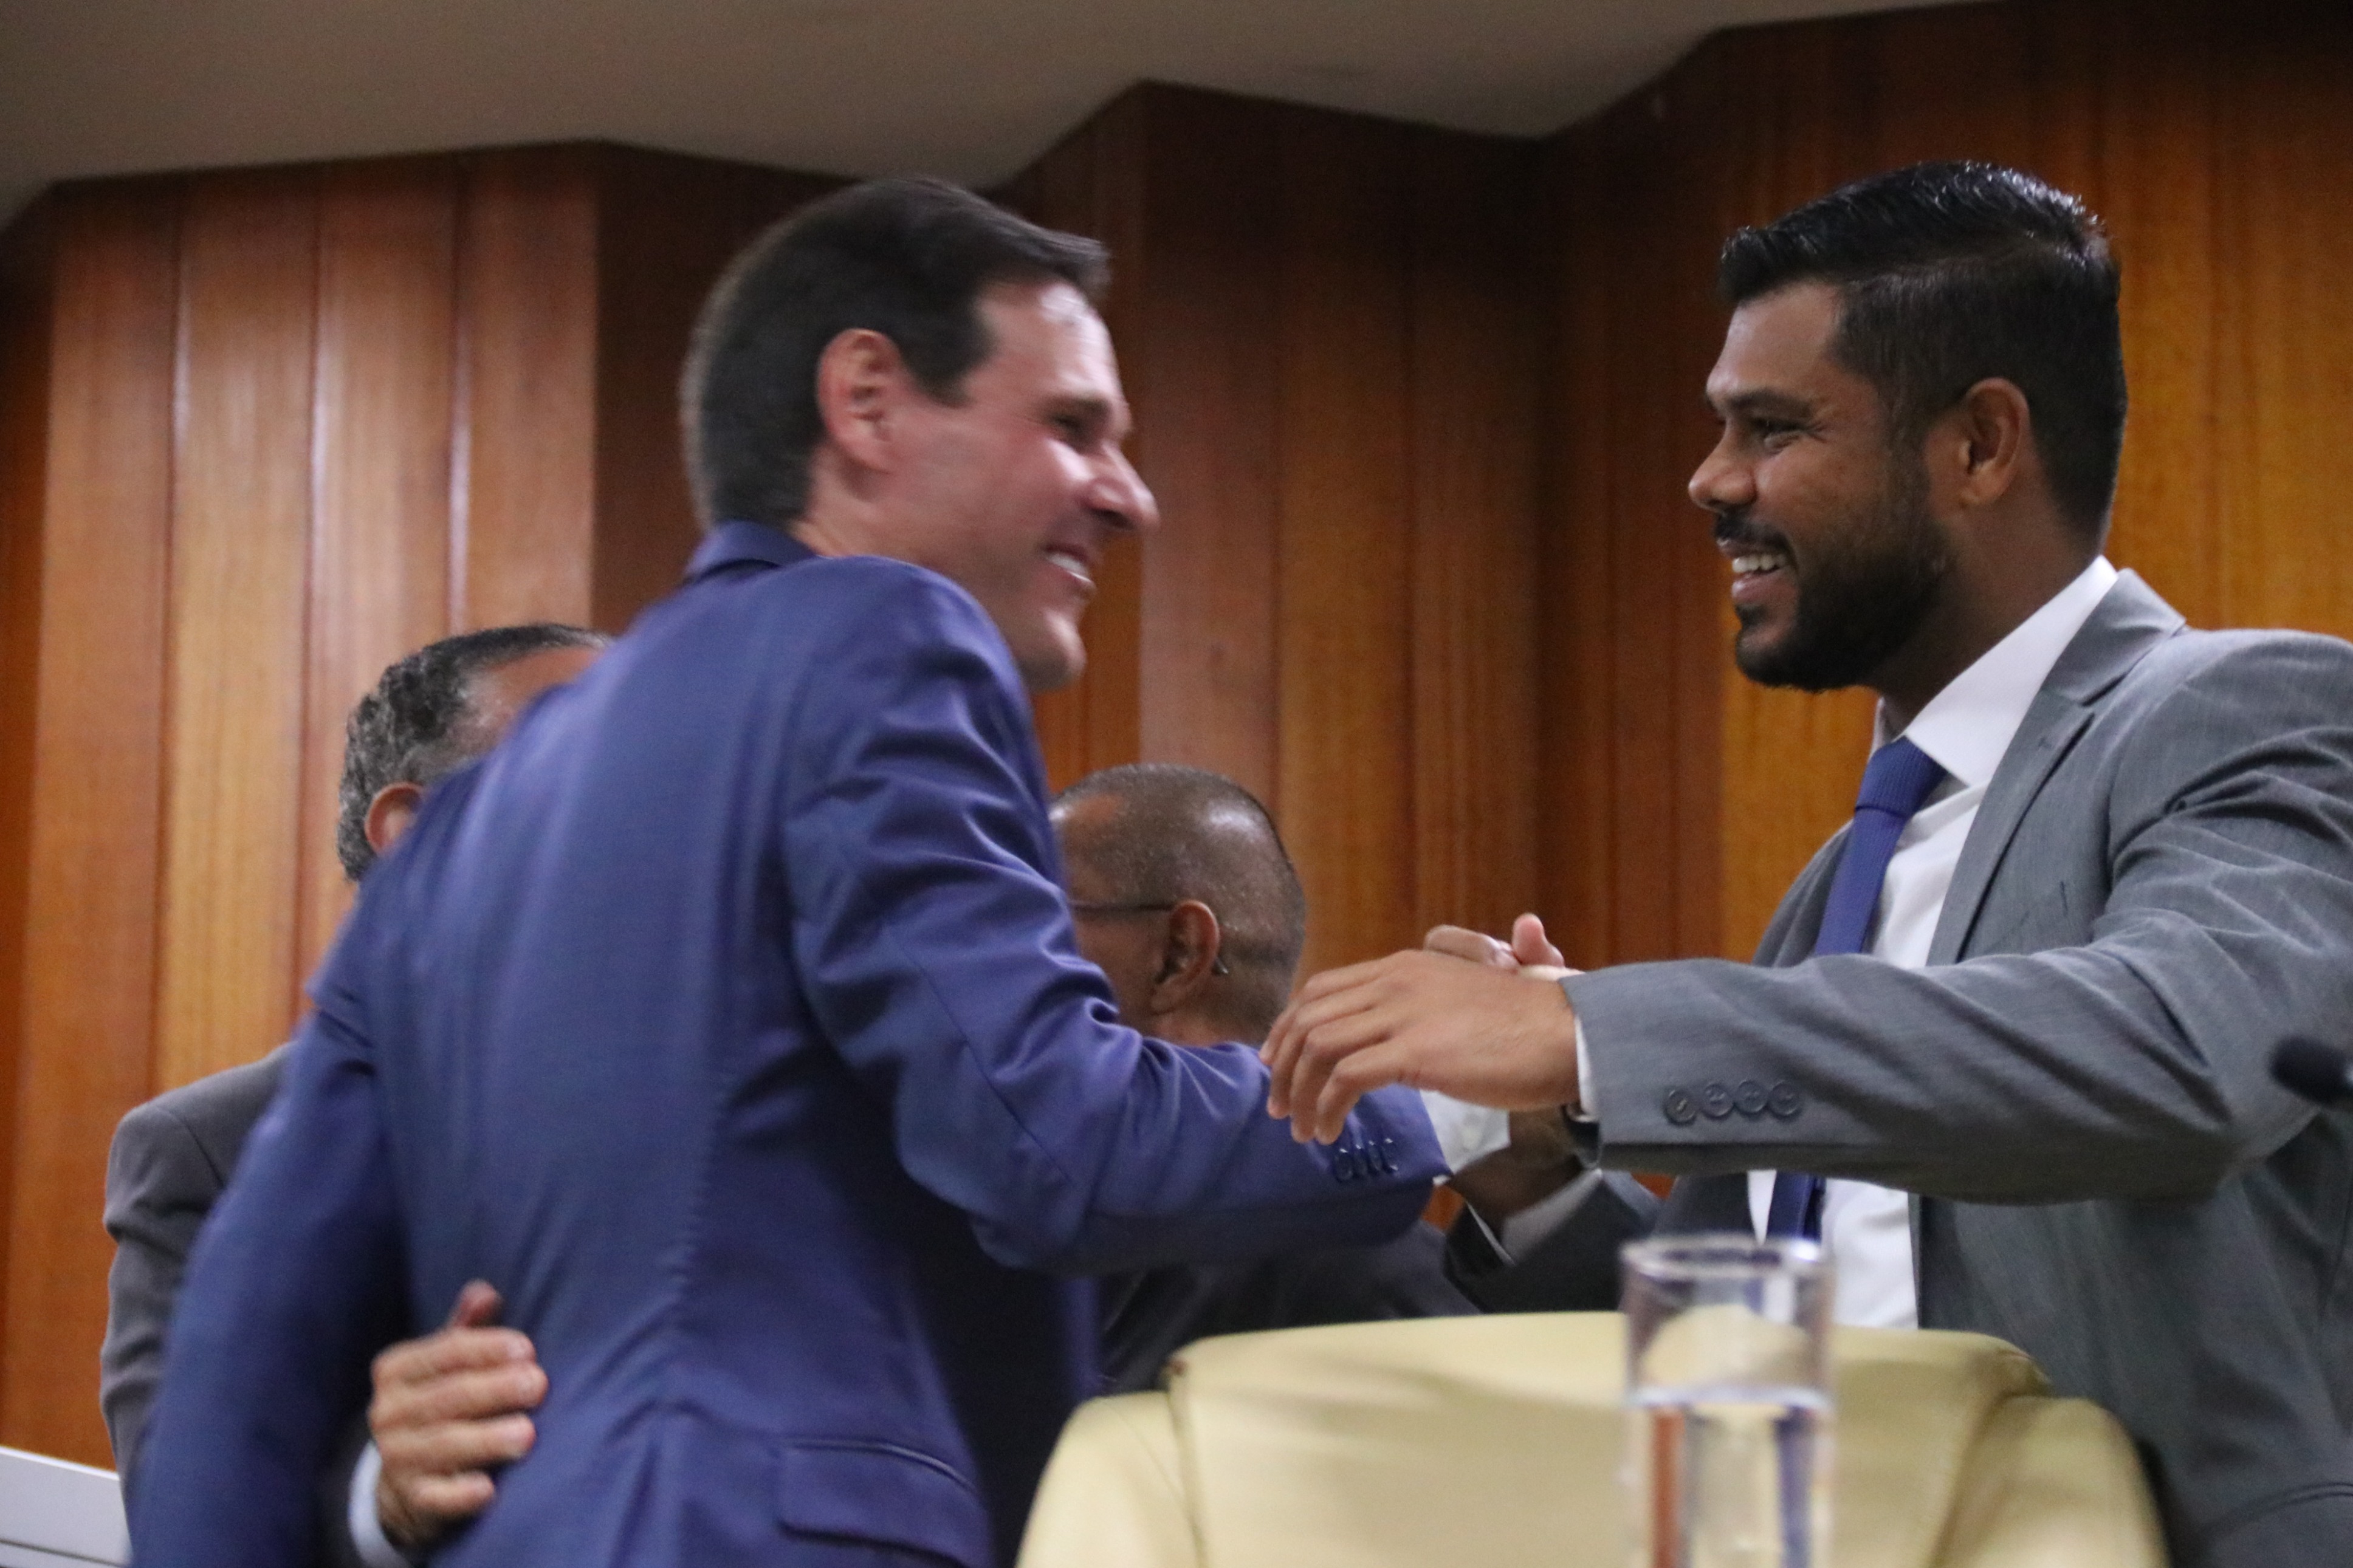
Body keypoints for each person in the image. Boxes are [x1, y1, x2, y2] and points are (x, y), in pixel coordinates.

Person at [130, 177, 1447, 1568]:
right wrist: (1454, 1098)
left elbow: (236, 1385)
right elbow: (1049, 1134)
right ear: (867, 401)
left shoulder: (465, 829)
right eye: (1072, 427)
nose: (1130, 493)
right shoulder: (884, 631)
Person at [1260, 160, 2353, 1567]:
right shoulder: (1841, 879)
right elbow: (1744, 1355)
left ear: (1979, 446)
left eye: (1771, 427)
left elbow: (2185, 1057)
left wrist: (1588, 1033)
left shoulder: (2254, 708)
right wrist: (1536, 1175)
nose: (1710, 480)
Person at [102, 623, 602, 1563]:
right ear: (412, 837)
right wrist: (383, 1500)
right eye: (592, 769)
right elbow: (186, 1513)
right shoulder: (210, 1150)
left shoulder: (755, 1116)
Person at [1048, 762, 1475, 1392]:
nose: (1011, 963)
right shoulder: (1021, 1226)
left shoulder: (1368, 1285)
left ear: (1177, 956)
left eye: (1040, 917)